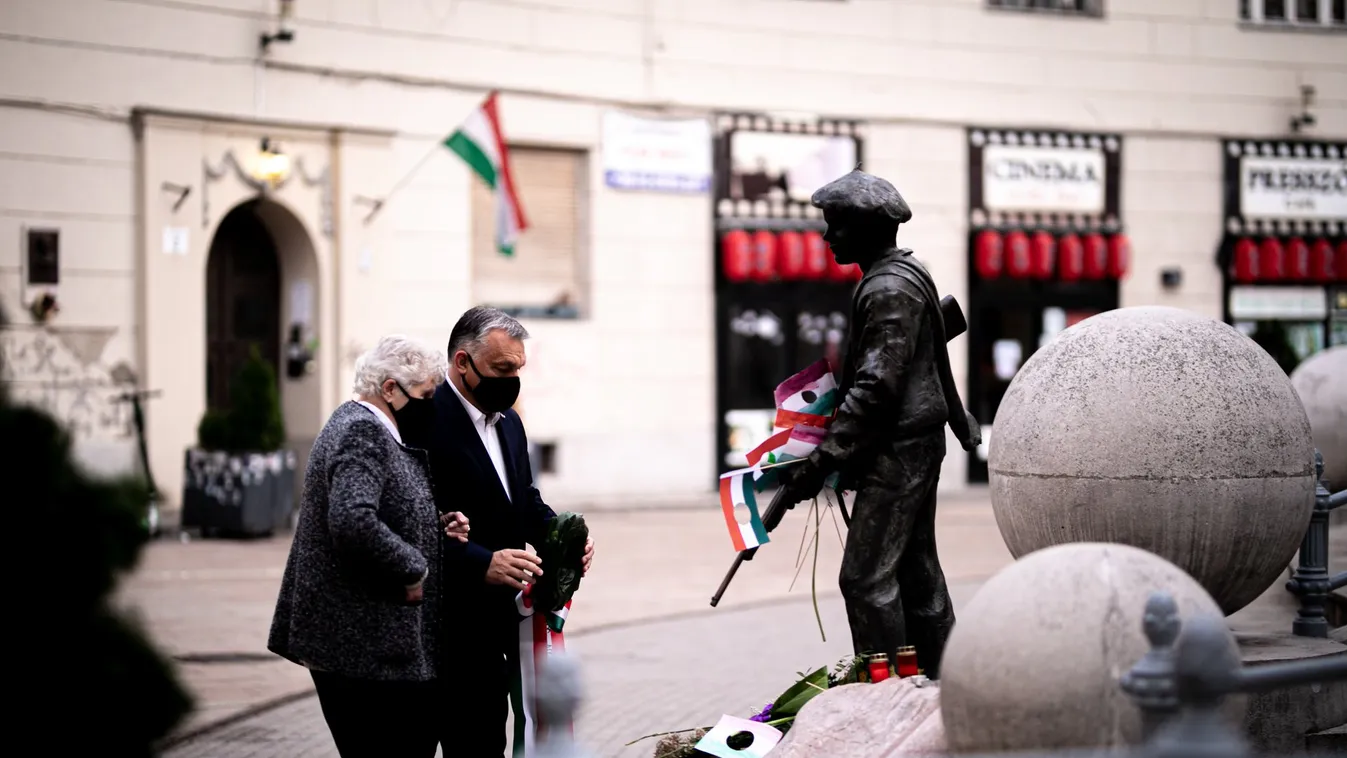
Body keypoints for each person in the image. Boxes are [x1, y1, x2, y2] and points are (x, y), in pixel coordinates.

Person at [775, 169, 980, 680]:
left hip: (899, 448)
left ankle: (886, 695)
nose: (827, 237)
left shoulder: (886, 288)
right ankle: (940, 681)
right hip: (917, 441)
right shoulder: (908, 273)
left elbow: (877, 389)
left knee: (866, 580)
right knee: (916, 572)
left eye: (836, 226)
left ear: (866, 228)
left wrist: (823, 461)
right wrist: (955, 413)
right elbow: (932, 356)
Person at [268, 334, 470, 758]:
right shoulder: (362, 430)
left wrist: (434, 528)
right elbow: (352, 520)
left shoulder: (369, 427)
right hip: (360, 643)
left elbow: (381, 508)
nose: (430, 405)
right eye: (425, 394)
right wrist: (414, 565)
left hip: (367, 643)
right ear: (390, 389)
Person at [411, 306, 594, 756]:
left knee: (483, 740)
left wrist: (564, 539)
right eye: (501, 368)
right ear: (461, 363)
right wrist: (479, 562)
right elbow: (408, 524)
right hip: (433, 628)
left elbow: (524, 501)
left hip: (495, 627)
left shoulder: (510, 422)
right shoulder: (421, 420)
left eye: (518, 368)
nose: (512, 378)